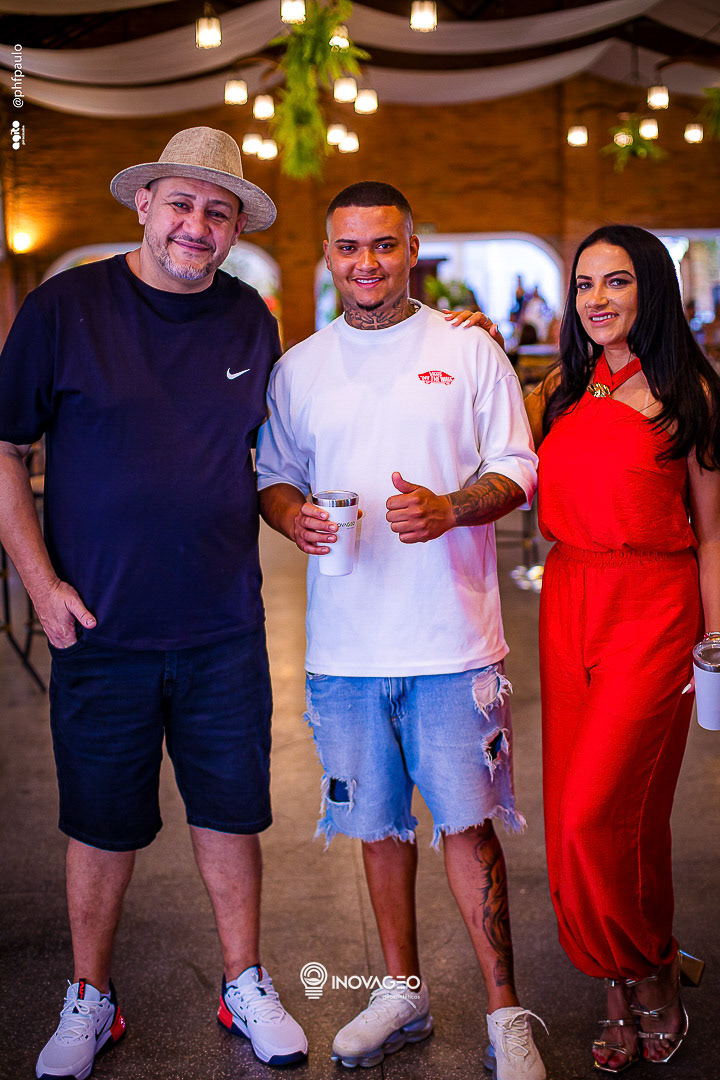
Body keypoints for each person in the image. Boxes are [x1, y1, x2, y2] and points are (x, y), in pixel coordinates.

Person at [0, 127, 307, 1079]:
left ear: (234, 230)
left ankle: (243, 981)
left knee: (232, 813)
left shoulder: (250, 319)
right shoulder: (64, 307)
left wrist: (440, 329)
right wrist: (41, 584)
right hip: (100, 626)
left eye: (218, 212)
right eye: (181, 203)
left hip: (224, 627)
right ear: (143, 204)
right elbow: (5, 450)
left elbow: (287, 438)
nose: (196, 225)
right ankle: (91, 997)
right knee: (99, 821)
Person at [256, 181, 547, 1080]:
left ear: (412, 248)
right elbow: (273, 473)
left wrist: (453, 506)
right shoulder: (300, 366)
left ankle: (505, 1013)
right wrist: (293, 516)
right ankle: (401, 991)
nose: (367, 263)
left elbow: (518, 465)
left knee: (467, 826)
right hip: (345, 649)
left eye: (384, 245)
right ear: (328, 255)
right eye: (349, 247)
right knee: (378, 828)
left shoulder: (466, 350)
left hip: (451, 641)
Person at [457, 223, 720, 1073]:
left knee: (597, 814)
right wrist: (476, 351)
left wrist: (717, 642)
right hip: (569, 600)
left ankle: (653, 973)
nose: (596, 300)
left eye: (617, 281)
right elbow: (492, 448)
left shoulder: (691, 394)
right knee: (587, 814)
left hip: (654, 607)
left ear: (651, 290)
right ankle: (621, 984)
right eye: (583, 285)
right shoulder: (560, 389)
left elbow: (714, 534)